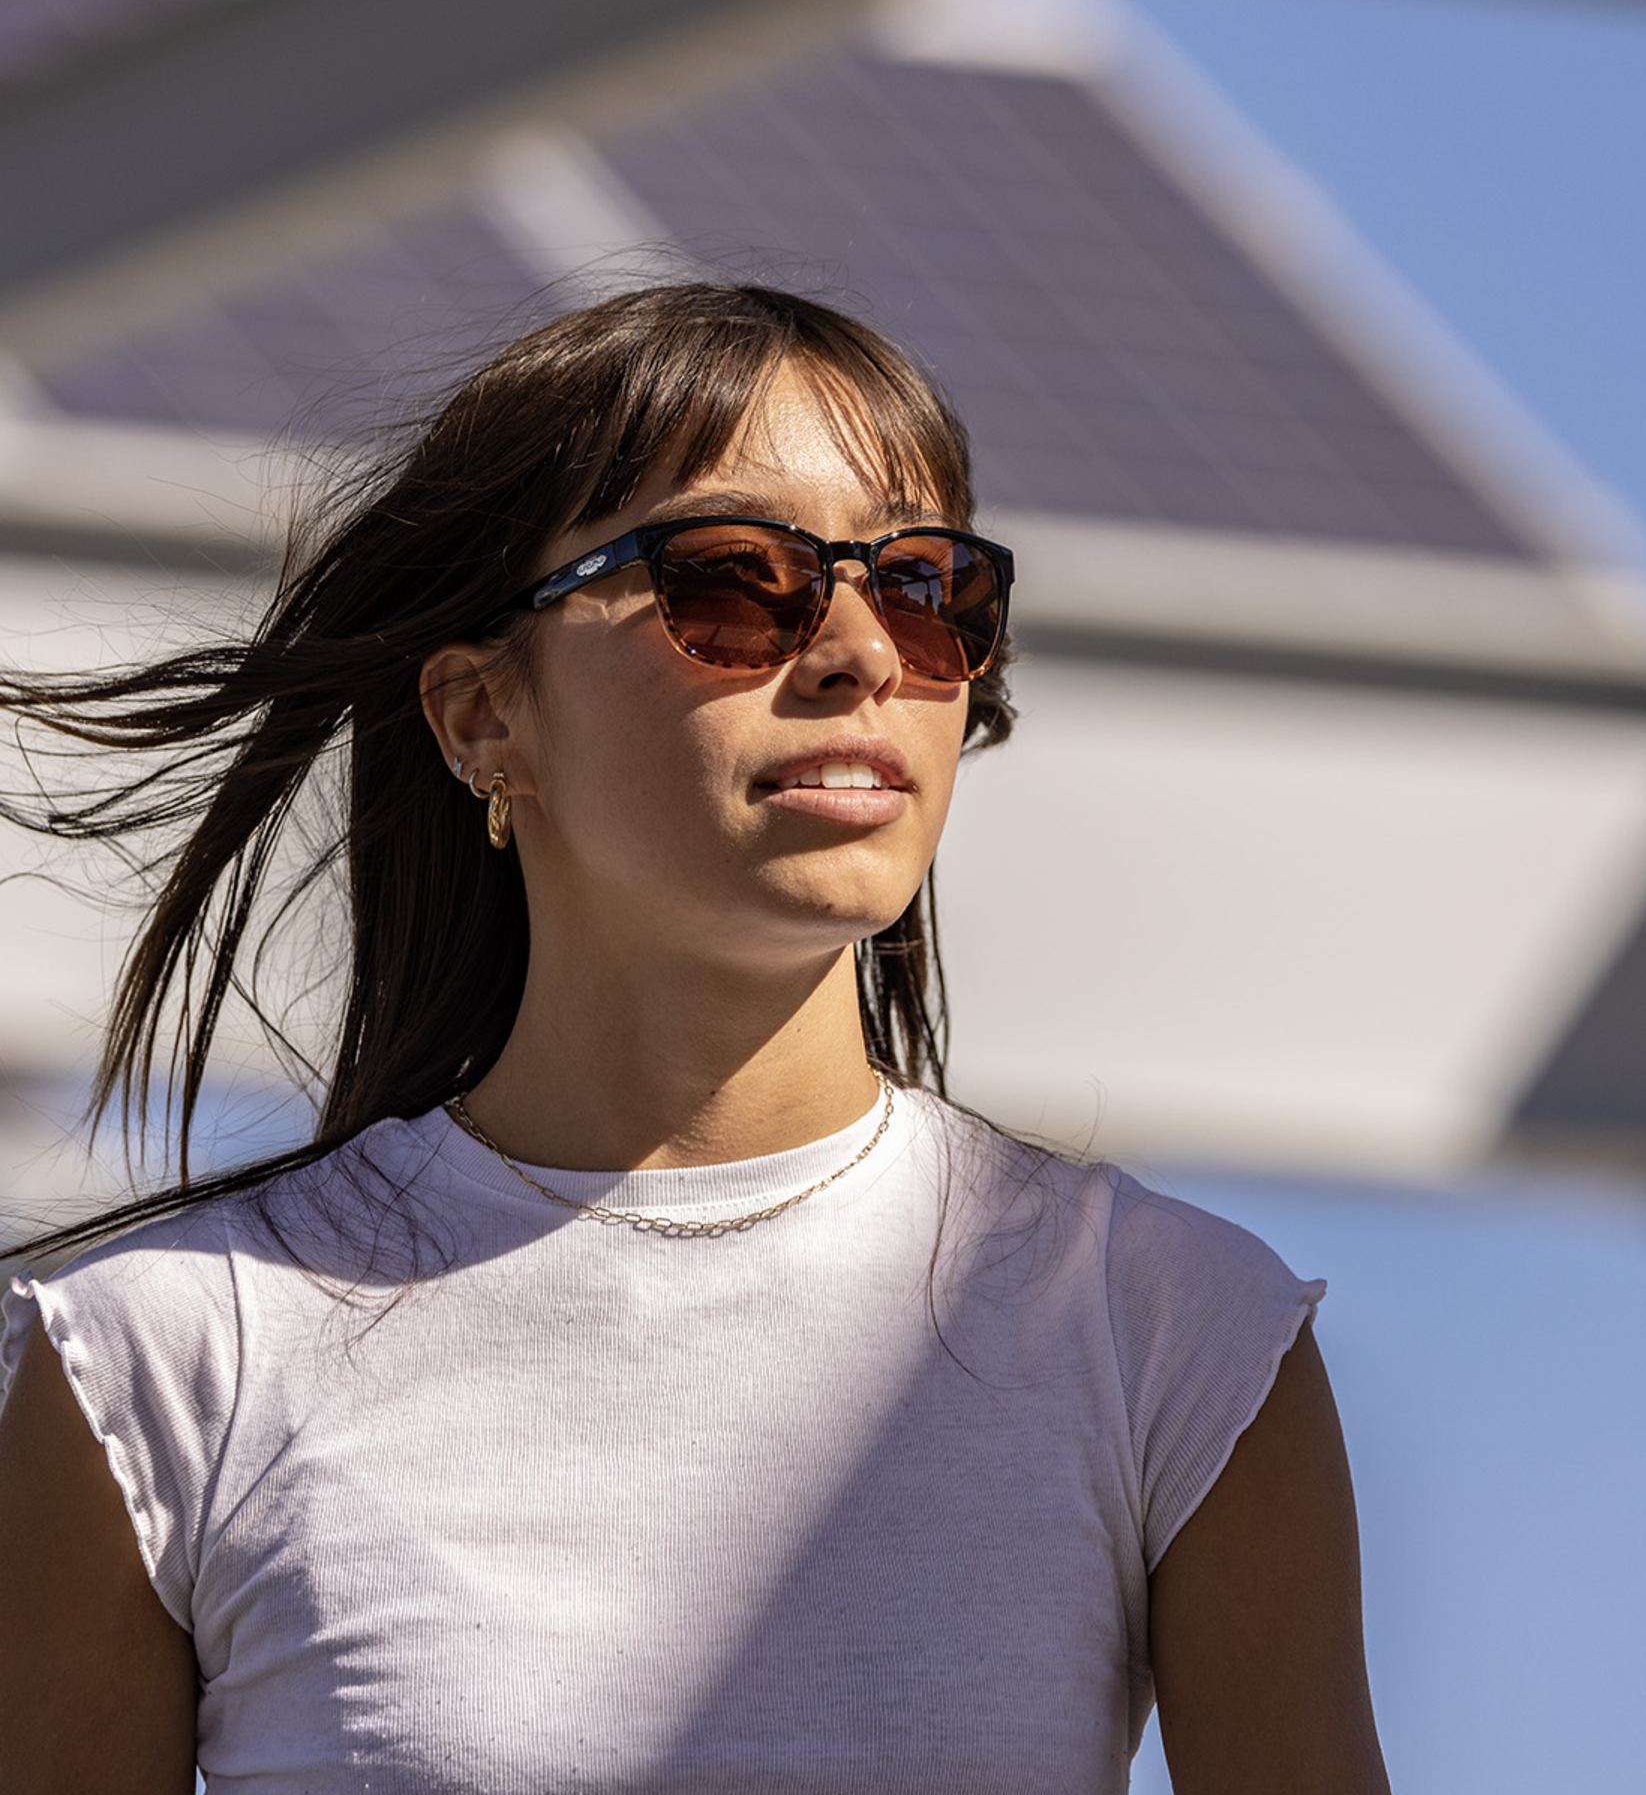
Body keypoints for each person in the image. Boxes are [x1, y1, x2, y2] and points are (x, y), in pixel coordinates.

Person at [0, 283, 1390, 1794]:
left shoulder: (1168, 1332)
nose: (862, 649)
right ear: (481, 717)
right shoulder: (163, 1358)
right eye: (736, 577)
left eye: (926, 585)